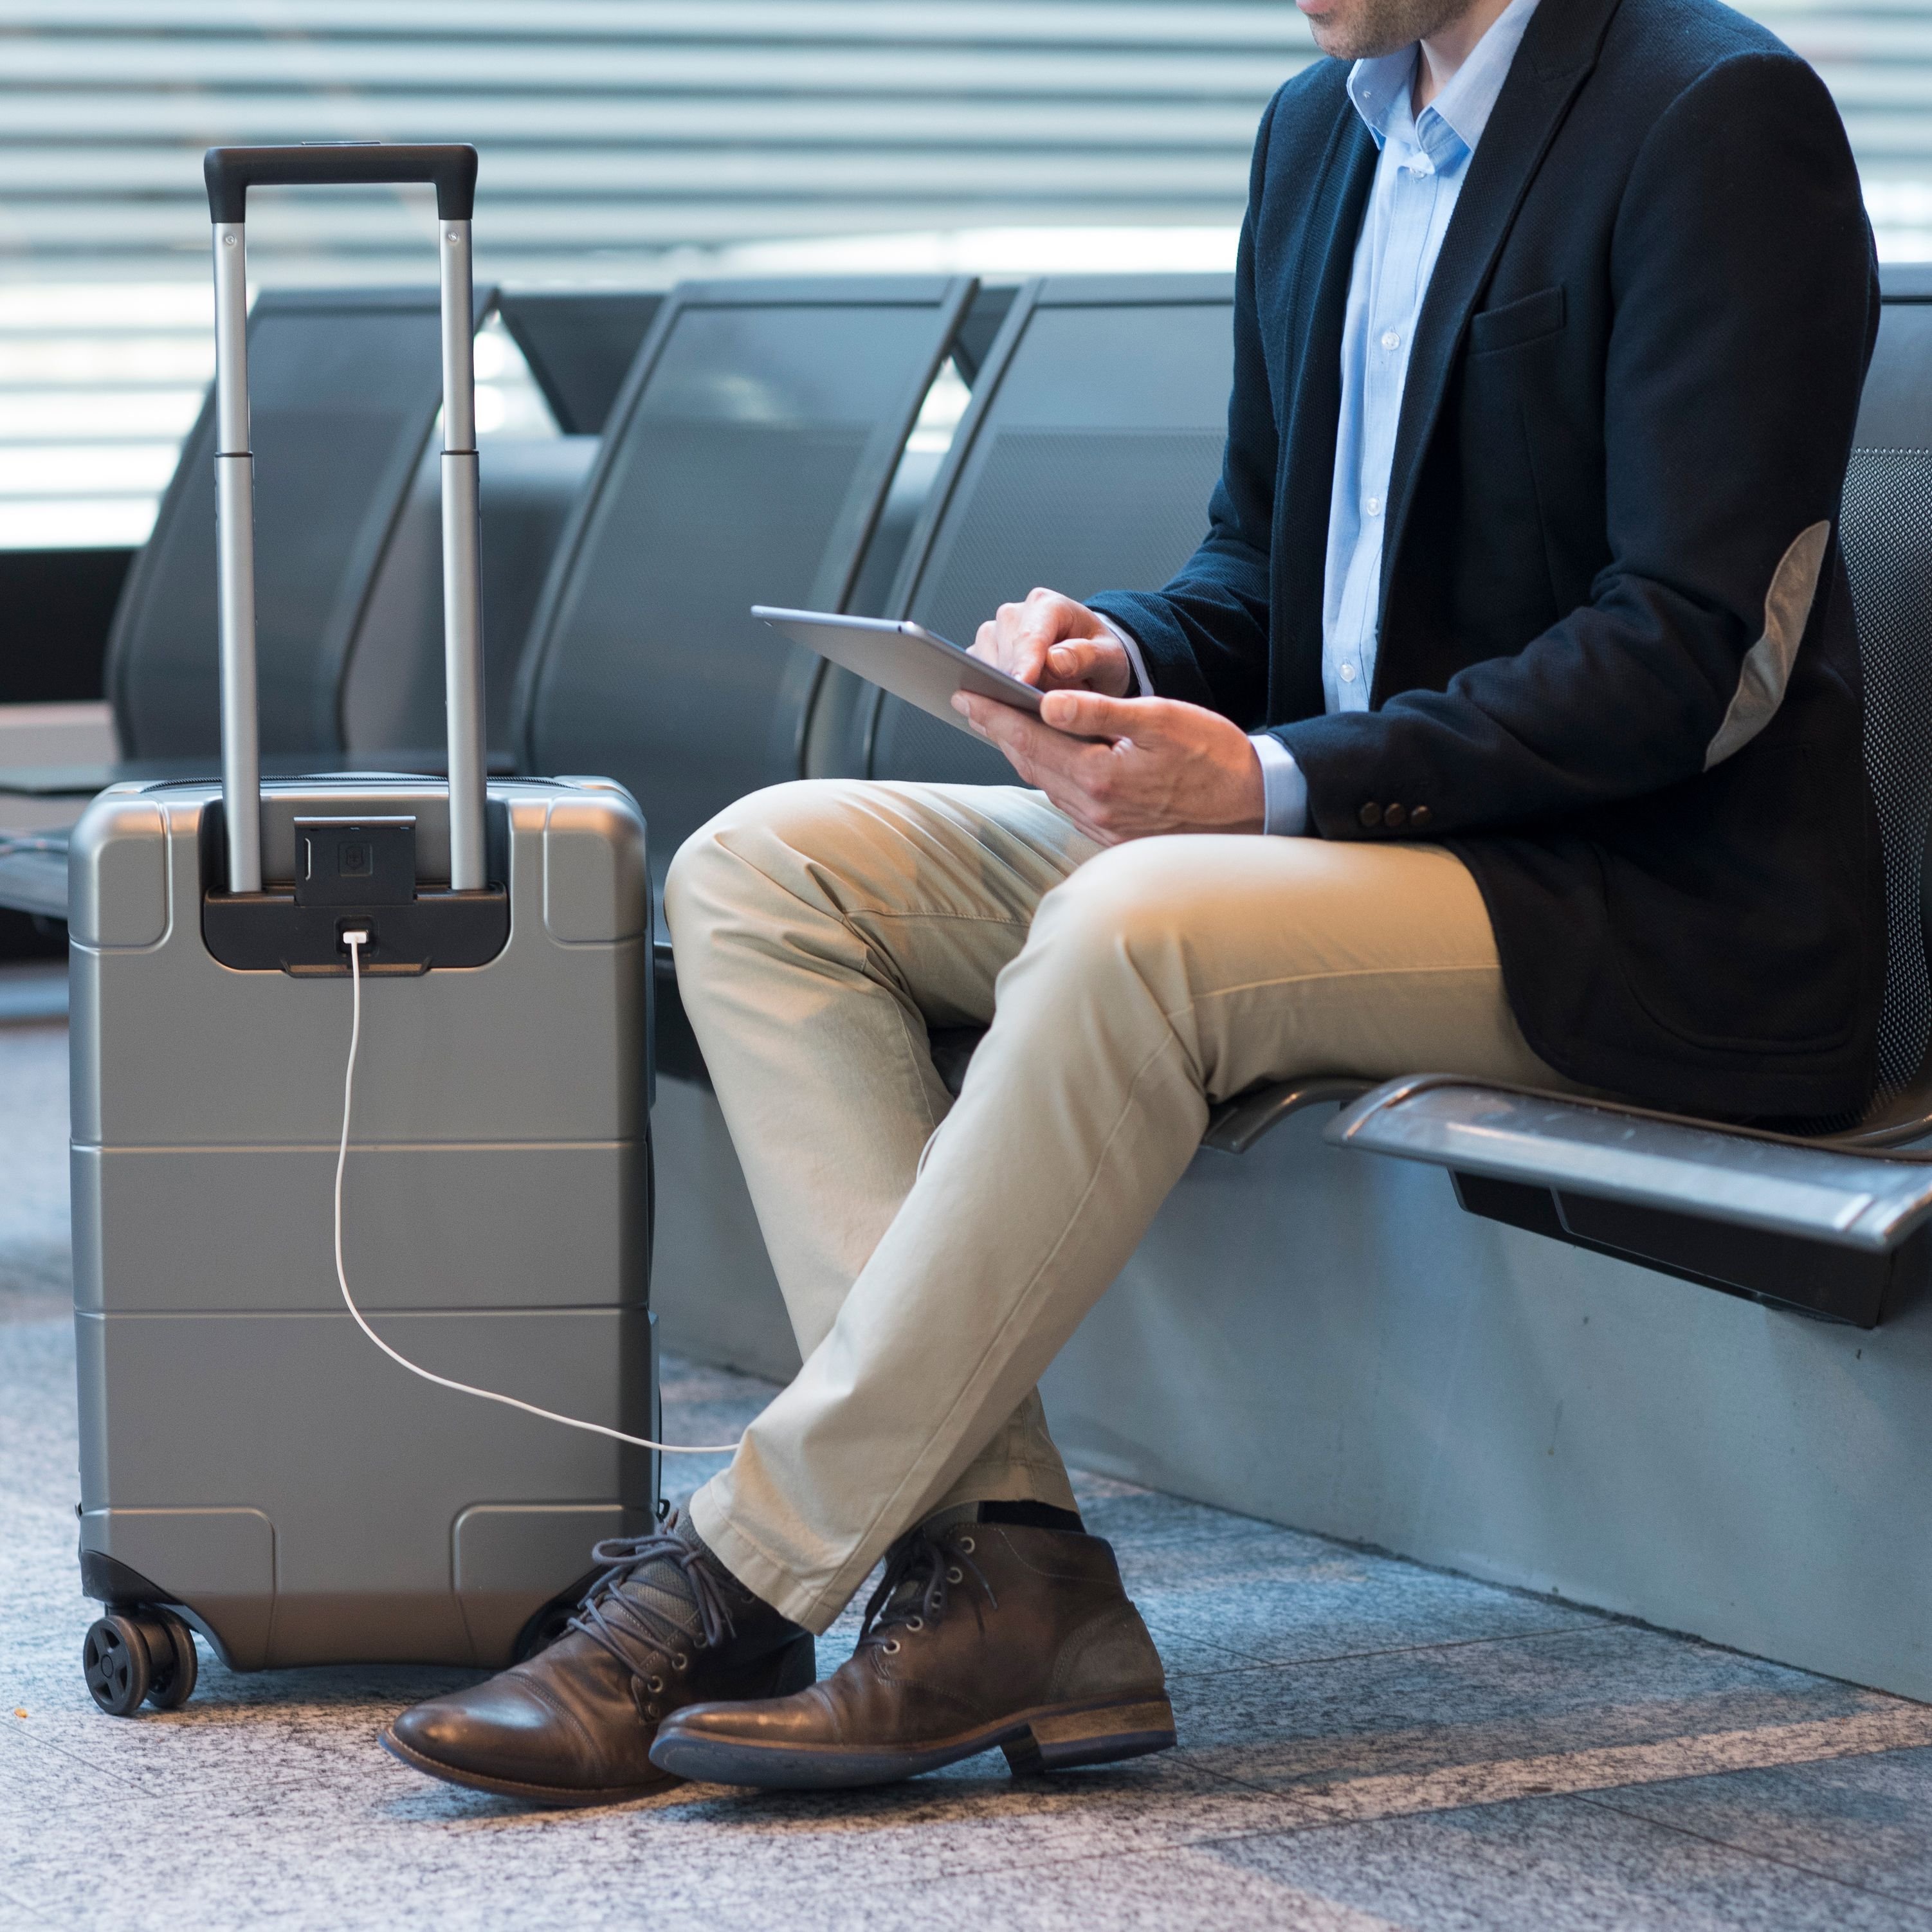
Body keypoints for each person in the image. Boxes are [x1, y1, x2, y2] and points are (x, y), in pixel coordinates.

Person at [382, 0, 1881, 1804]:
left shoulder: (1713, 115)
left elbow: (1688, 656)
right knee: (769, 868)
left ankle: (738, 1568)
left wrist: (1257, 781)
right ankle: (1004, 1567)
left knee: (1132, 919)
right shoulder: (1318, 133)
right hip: (1356, 854)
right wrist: (1120, 650)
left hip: (1636, 898)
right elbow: (1262, 561)